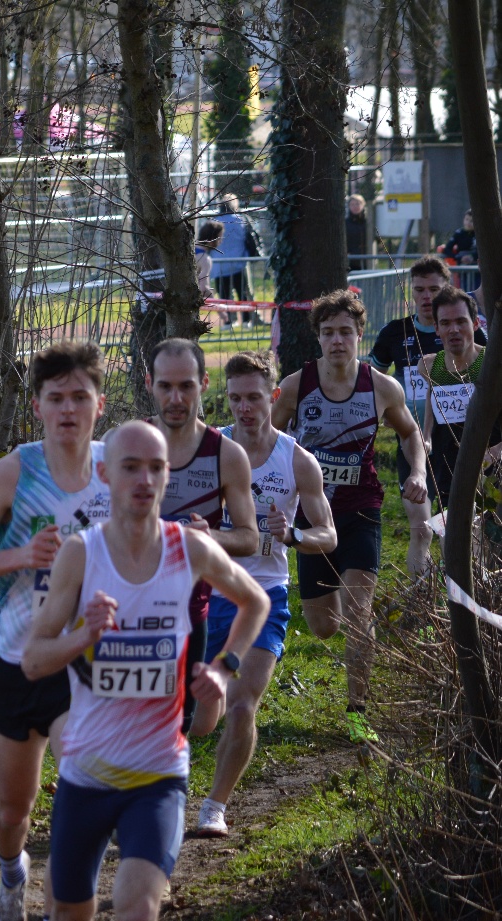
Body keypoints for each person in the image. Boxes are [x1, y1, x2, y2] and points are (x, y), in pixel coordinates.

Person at [19, 420, 269, 921]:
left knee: (137, 906)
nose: (145, 480)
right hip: (86, 773)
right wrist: (83, 637)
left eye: (156, 468)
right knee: (69, 911)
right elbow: (33, 660)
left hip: (159, 774)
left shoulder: (189, 548)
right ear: (105, 474)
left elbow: (255, 600)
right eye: (131, 468)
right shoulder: (80, 554)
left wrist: (224, 668)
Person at [0, 341, 111, 921]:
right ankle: (13, 872)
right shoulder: (13, 472)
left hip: (83, 663)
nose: (68, 409)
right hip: (16, 662)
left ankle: (68, 898)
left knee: (83, 780)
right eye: (55, 398)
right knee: (14, 811)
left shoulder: (118, 472)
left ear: (99, 405)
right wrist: (20, 557)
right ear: (36, 406)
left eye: (79, 397)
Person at [188, 351, 337, 838]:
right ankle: (159, 789)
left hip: (265, 592)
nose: (244, 408)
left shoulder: (297, 460)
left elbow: (328, 535)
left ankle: (214, 806)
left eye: (254, 397)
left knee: (243, 702)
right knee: (199, 714)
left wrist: (293, 535)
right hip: (208, 591)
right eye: (234, 399)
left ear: (273, 396)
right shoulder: (210, 450)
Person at [271, 290, 429, 744]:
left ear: (359, 334)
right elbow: (268, 436)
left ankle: (358, 710)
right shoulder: (296, 385)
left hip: (362, 509)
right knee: (323, 628)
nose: (337, 340)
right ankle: (333, 598)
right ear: (318, 338)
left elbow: (410, 433)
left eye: (345, 331)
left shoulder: (381, 386)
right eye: (328, 333)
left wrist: (416, 470)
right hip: (311, 514)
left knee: (361, 612)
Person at [366, 256, 487, 575]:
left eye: (434, 289)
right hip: (414, 442)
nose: (426, 296)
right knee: (421, 528)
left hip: (461, 445)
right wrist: (389, 417)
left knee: (457, 527)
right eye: (419, 289)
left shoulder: (466, 332)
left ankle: (458, 596)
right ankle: (421, 599)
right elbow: (372, 384)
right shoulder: (395, 332)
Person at [147, 339, 259, 648]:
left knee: (195, 698)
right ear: (149, 384)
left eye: (186, 386)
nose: (175, 398)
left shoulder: (227, 455)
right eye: (165, 387)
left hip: (190, 614)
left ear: (204, 384)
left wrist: (209, 538)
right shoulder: (126, 445)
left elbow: (250, 538)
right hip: (129, 610)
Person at [418, 286, 502, 509]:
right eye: (445, 323)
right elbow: (432, 396)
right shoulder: (427, 366)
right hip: (448, 471)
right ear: (436, 328)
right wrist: (425, 435)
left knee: (488, 541)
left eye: (461, 322)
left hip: (492, 473)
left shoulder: (492, 366)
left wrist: (494, 453)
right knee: (450, 542)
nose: (453, 329)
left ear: (475, 324)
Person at [213, 195, 261, 329]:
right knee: (243, 294)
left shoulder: (214, 221)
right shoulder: (241, 219)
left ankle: (228, 322)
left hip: (220, 265)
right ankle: (246, 321)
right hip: (239, 263)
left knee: (223, 296)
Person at [443, 210, 479, 293]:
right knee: (465, 292)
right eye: (466, 219)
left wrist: (472, 257)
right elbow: (447, 249)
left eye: (471, 221)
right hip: (463, 269)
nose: (468, 223)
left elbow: (483, 251)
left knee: (477, 291)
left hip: (477, 269)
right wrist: (458, 257)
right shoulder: (459, 233)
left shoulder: (479, 233)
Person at [194, 222, 224, 300]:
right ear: (211, 239)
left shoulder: (188, 249)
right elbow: (203, 288)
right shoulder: (205, 259)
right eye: (219, 238)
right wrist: (219, 309)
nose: (220, 242)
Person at [345, 194, 369, 271]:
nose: (355, 206)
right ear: (349, 206)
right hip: (351, 260)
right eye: (352, 204)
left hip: (367, 259)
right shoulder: (345, 223)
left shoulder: (368, 223)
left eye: (358, 204)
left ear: (363, 205)